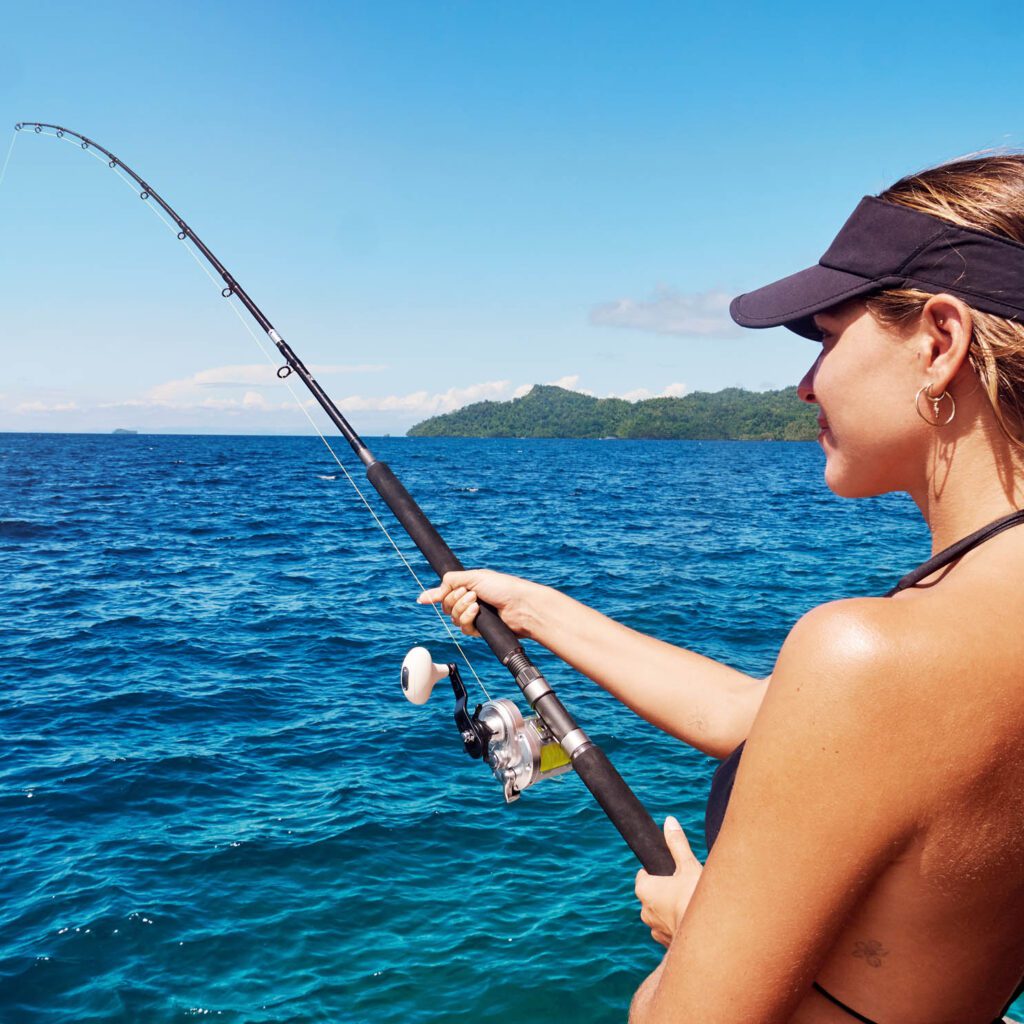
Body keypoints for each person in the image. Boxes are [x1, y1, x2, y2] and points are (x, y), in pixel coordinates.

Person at [419, 155, 1024, 1023]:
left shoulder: (869, 654)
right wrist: (533, 610)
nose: (805, 381)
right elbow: (770, 719)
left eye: (826, 335)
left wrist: (705, 931)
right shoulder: (945, 646)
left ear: (940, 341)